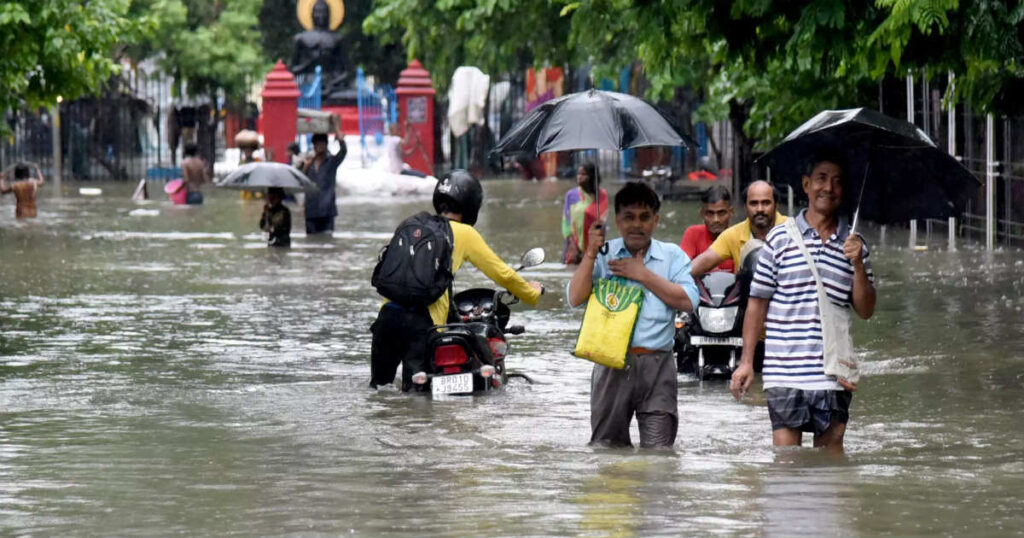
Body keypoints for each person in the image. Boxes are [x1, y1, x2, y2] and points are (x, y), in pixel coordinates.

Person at [730, 149, 876, 452]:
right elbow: (757, 302)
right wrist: (746, 362)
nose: (829, 188)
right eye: (821, 179)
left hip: (833, 375)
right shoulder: (780, 238)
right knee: (786, 467)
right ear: (806, 184)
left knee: (830, 469)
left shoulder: (855, 245)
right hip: (783, 372)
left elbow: (865, 309)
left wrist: (858, 262)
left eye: (837, 181)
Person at [369, 170, 543, 391]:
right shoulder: (464, 233)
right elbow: (503, 274)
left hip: (386, 319)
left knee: (379, 391)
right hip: (421, 324)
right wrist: (532, 292)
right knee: (416, 398)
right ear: (472, 205)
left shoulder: (412, 223)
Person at [568, 182, 699, 448]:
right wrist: (590, 254)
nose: (636, 225)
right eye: (628, 217)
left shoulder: (672, 256)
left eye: (644, 217)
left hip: (658, 366)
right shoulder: (604, 254)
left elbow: (688, 302)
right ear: (617, 220)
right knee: (607, 452)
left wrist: (642, 274)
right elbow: (575, 297)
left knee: (659, 456)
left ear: (656, 220)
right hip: (611, 365)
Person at [690, 180, 787, 277]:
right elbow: (702, 263)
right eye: (754, 203)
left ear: (776, 206)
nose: (759, 209)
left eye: (766, 203)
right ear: (745, 207)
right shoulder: (733, 235)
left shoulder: (793, 230)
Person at [561, 162, 609, 265]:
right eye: (578, 174)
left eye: (583, 174)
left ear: (591, 177)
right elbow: (566, 221)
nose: (579, 177)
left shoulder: (602, 195)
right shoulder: (571, 195)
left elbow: (603, 221)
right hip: (573, 246)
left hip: (594, 244)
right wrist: (572, 245)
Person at [680, 185, 734, 272]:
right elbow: (681, 268)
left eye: (721, 213)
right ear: (702, 214)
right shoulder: (693, 234)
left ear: (731, 213)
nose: (716, 220)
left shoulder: (738, 237)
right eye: (710, 213)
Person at [301, 132, 346, 234]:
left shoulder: (331, 162)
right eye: (316, 144)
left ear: (326, 145)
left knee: (327, 240)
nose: (319, 146)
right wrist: (305, 167)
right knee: (311, 241)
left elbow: (343, 152)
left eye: (321, 143)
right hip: (311, 211)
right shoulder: (309, 162)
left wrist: (340, 140)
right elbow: (301, 181)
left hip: (327, 211)